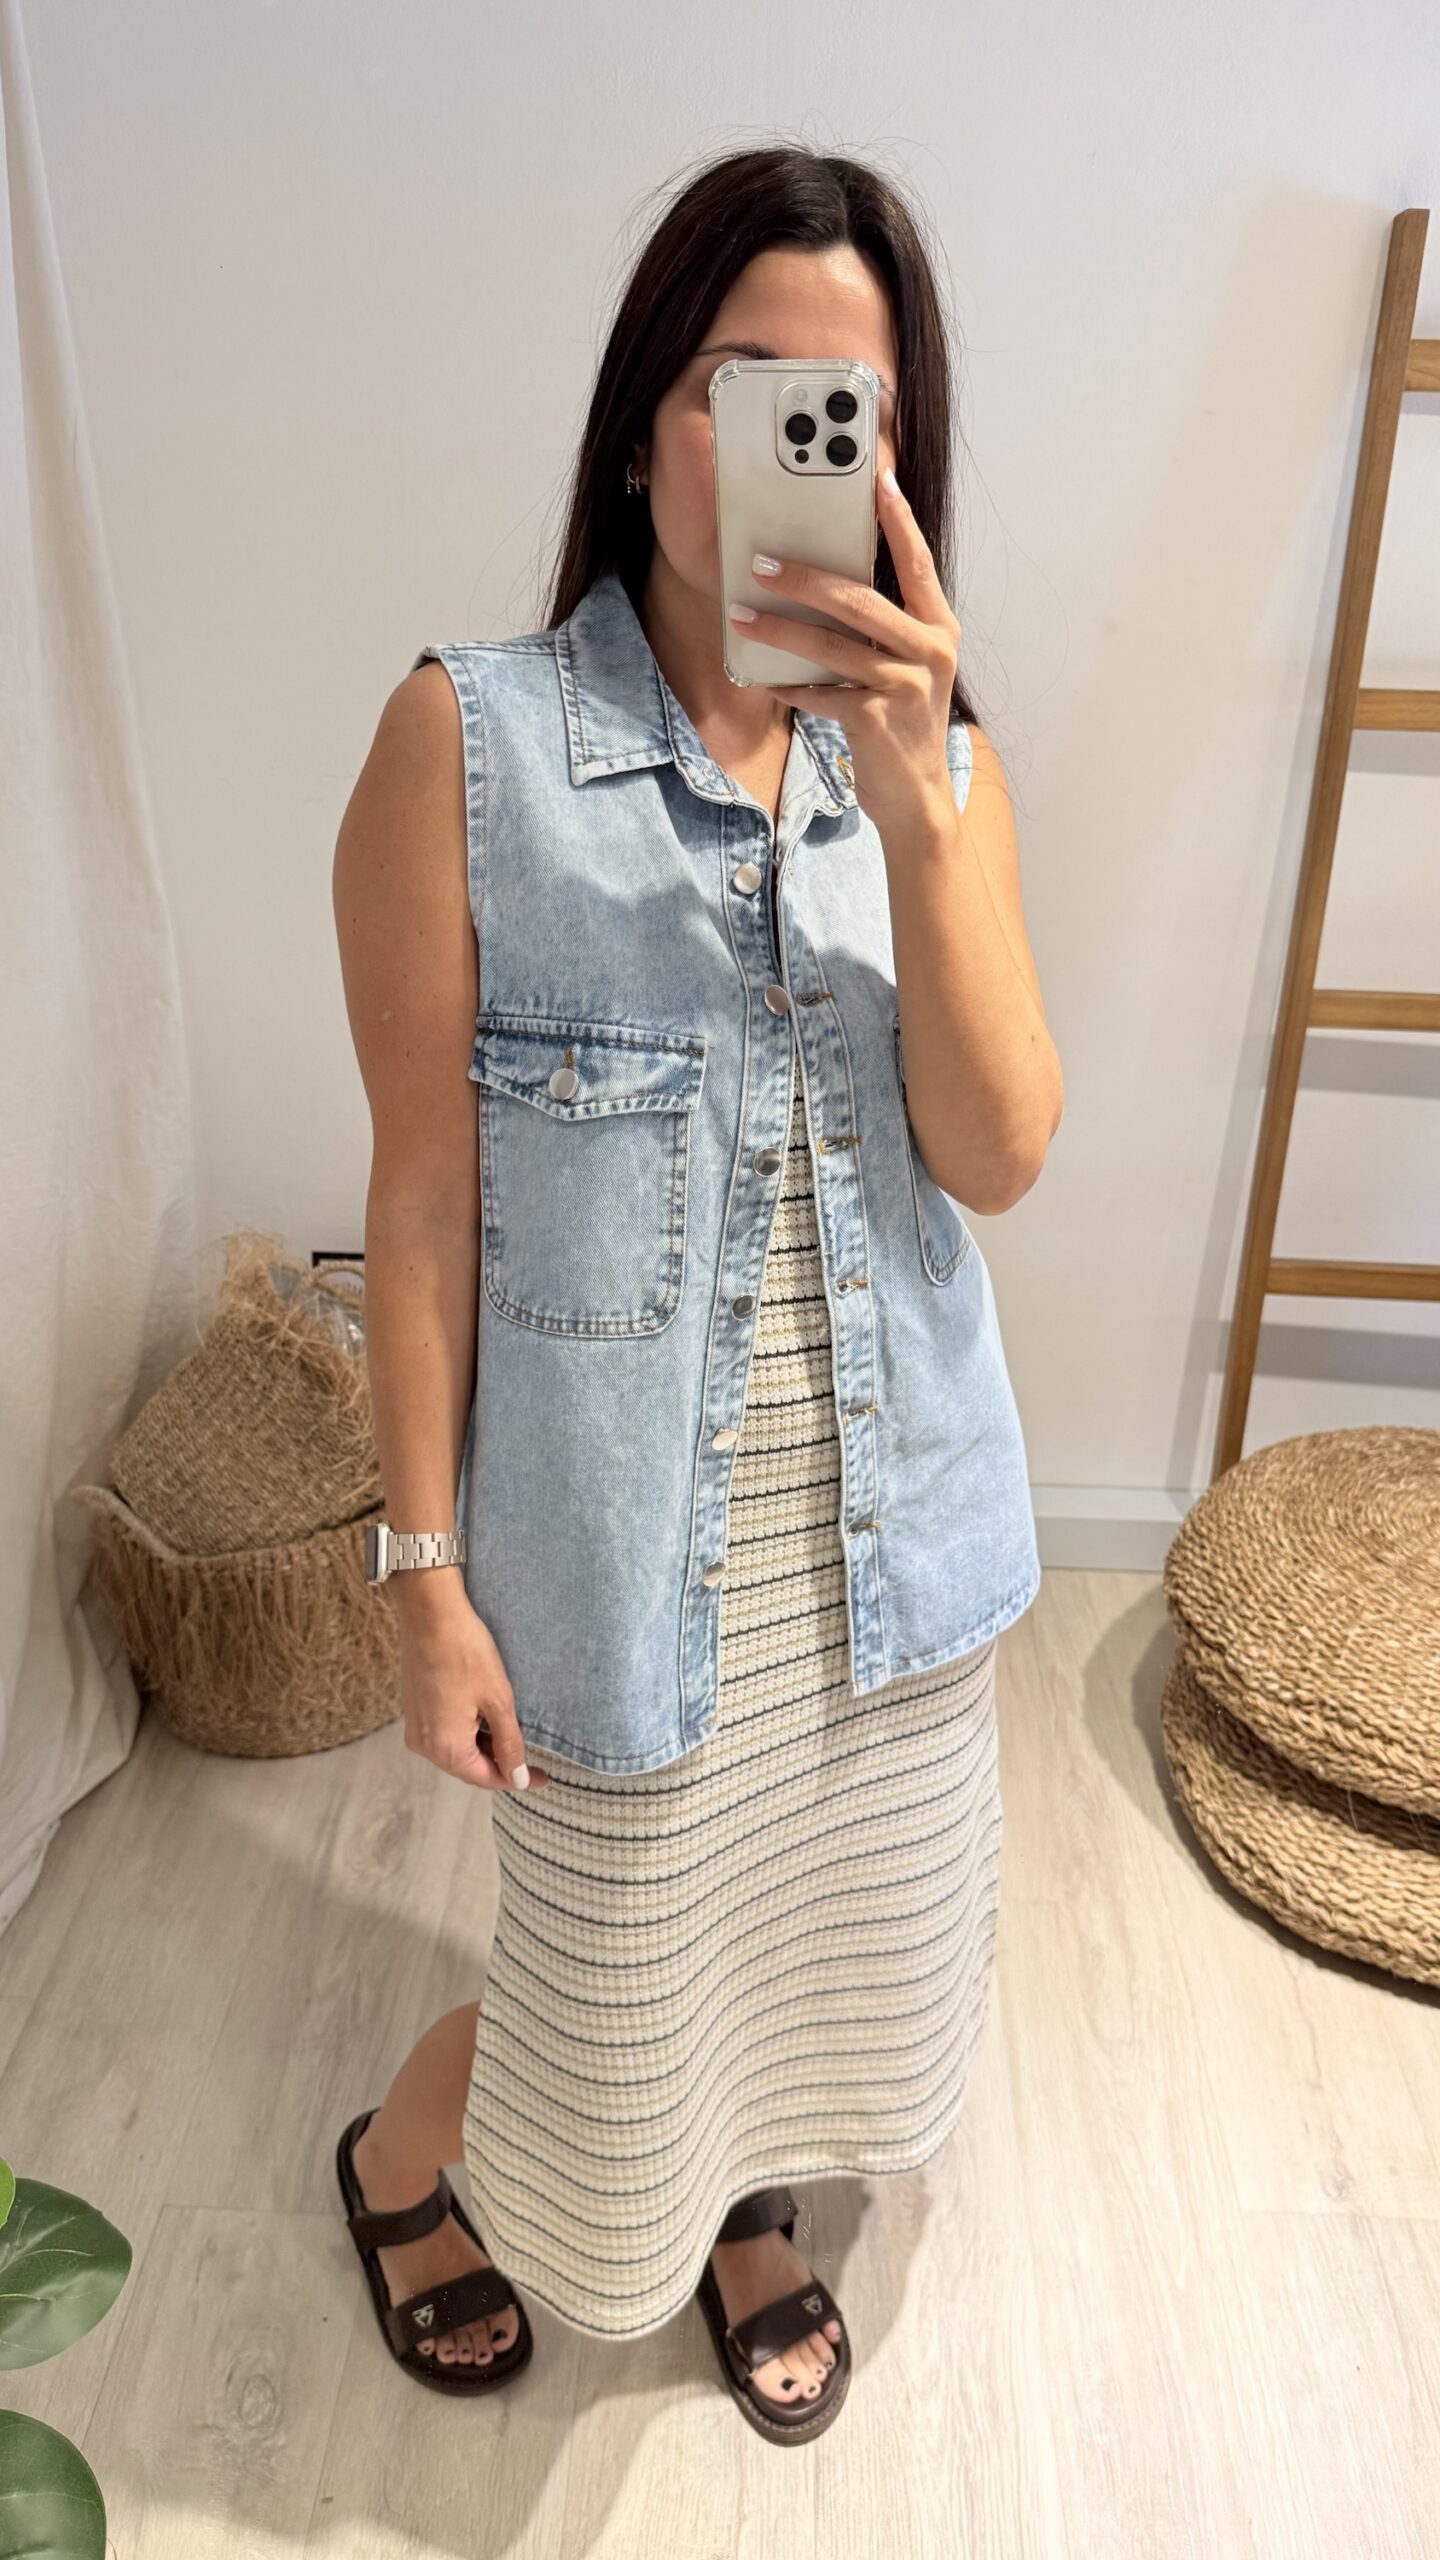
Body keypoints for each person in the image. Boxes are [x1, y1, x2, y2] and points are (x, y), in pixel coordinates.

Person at [330, 140, 1061, 2444]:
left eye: (850, 418)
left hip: (891, 1553)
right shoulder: (468, 745)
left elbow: (1001, 1152)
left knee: (825, 1956)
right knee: (601, 1993)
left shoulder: (941, 773)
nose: (791, 456)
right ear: (645, 420)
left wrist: (915, 806)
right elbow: (421, 1202)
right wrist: (424, 1577)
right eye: (746, 390)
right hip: (623, 1569)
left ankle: (754, 2211)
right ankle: (400, 2161)